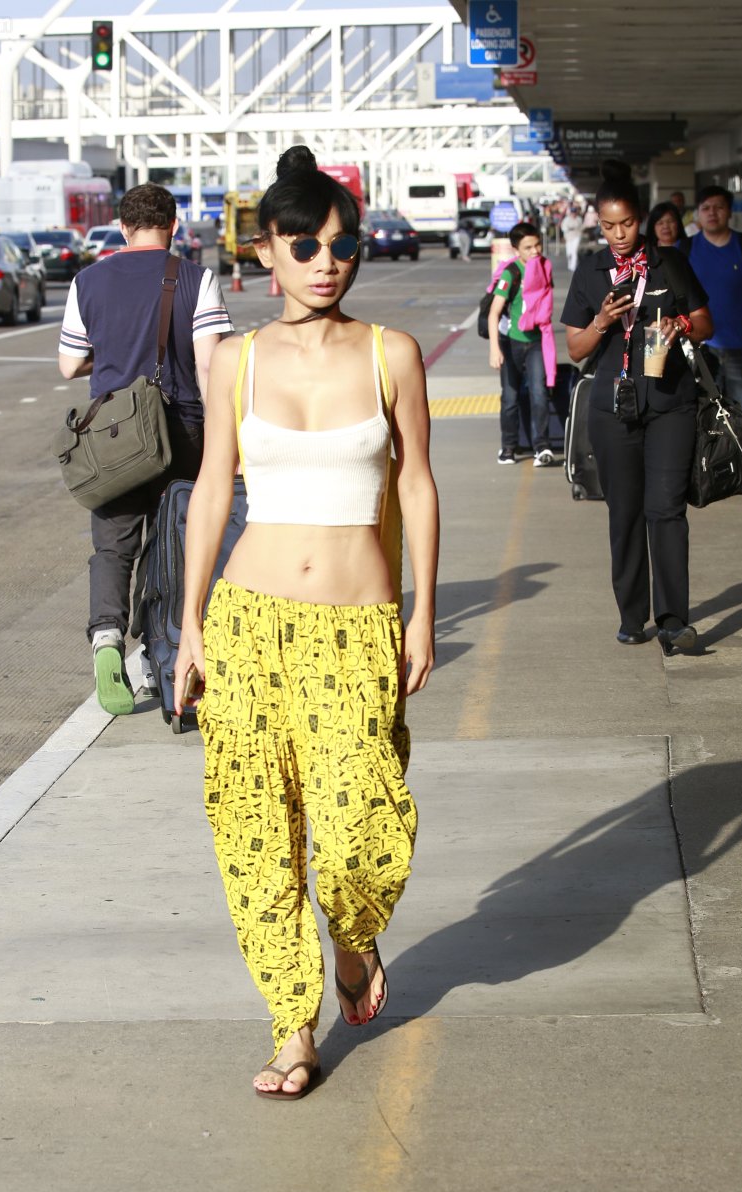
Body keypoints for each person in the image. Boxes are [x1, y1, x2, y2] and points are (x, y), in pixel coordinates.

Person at [172, 146, 439, 1100]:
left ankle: (354, 939)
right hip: (248, 623)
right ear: (265, 253)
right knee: (258, 829)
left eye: (343, 244)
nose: (328, 262)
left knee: (363, 824)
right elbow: (212, 492)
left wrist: (423, 613)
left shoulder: (391, 353)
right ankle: (293, 1027)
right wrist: (191, 625)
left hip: (356, 628)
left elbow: (416, 484)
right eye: (305, 245)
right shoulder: (235, 360)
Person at [58, 182, 234, 714]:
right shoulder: (197, 279)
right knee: (173, 546)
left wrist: (111, 354)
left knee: (114, 546)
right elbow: (210, 366)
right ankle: (161, 659)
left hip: (113, 436)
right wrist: (225, 438)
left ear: (122, 227)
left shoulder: (87, 281)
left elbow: (69, 364)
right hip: (180, 430)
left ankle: (106, 637)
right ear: (173, 225)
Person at [560, 161, 713, 655]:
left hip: (670, 403)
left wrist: (681, 326)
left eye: (626, 223)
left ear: (640, 218)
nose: (619, 234)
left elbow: (705, 321)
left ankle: (673, 621)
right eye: (609, 226)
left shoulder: (670, 263)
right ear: (599, 224)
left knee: (666, 509)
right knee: (624, 512)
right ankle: (631, 616)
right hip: (613, 408)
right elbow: (576, 349)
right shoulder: (590, 271)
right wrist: (602, 320)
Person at [683, 185, 742, 412]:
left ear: (730, 211)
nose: (712, 213)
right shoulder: (685, 249)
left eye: (719, 207)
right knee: (703, 412)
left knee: (741, 411)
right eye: (706, 208)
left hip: (740, 343)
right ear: (698, 213)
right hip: (699, 345)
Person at [489, 222, 556, 467]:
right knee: (510, 398)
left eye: (537, 245)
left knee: (539, 394)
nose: (535, 251)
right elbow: (494, 313)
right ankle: (508, 447)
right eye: (528, 247)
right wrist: (494, 349)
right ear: (517, 250)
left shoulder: (545, 267)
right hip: (511, 343)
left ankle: (542, 447)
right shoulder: (511, 273)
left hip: (536, 342)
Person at [561, 205, 584, 271]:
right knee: (569, 253)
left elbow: (581, 227)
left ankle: (573, 266)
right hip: (568, 237)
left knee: (574, 251)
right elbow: (563, 228)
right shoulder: (566, 219)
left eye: (574, 212)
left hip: (576, 236)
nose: (573, 214)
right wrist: (568, 229)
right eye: (572, 213)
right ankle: (570, 263)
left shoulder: (579, 219)